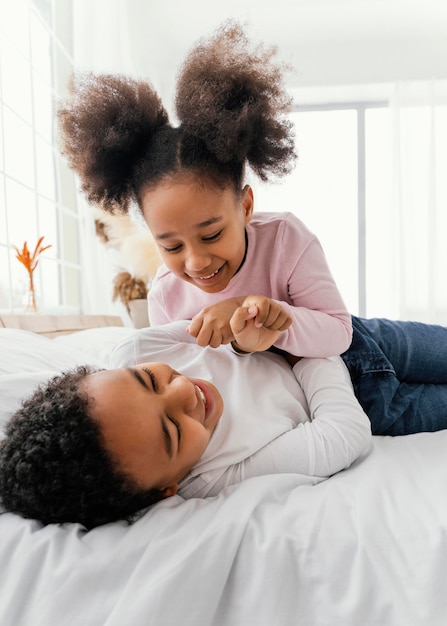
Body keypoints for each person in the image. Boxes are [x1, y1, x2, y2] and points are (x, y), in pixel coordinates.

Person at [57, 22, 352, 358]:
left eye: (211, 235)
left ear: (245, 206)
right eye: (170, 245)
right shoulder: (166, 298)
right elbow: (183, 370)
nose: (195, 262)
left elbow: (341, 332)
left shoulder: (285, 239)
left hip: (366, 349)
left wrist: (249, 308)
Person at [0, 302, 372, 528]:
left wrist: (291, 336)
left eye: (148, 379)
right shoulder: (212, 477)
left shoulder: (140, 345)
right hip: (370, 396)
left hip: (352, 336)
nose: (184, 391)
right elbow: (343, 435)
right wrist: (305, 354)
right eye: (174, 430)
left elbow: (230, 323)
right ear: (166, 490)